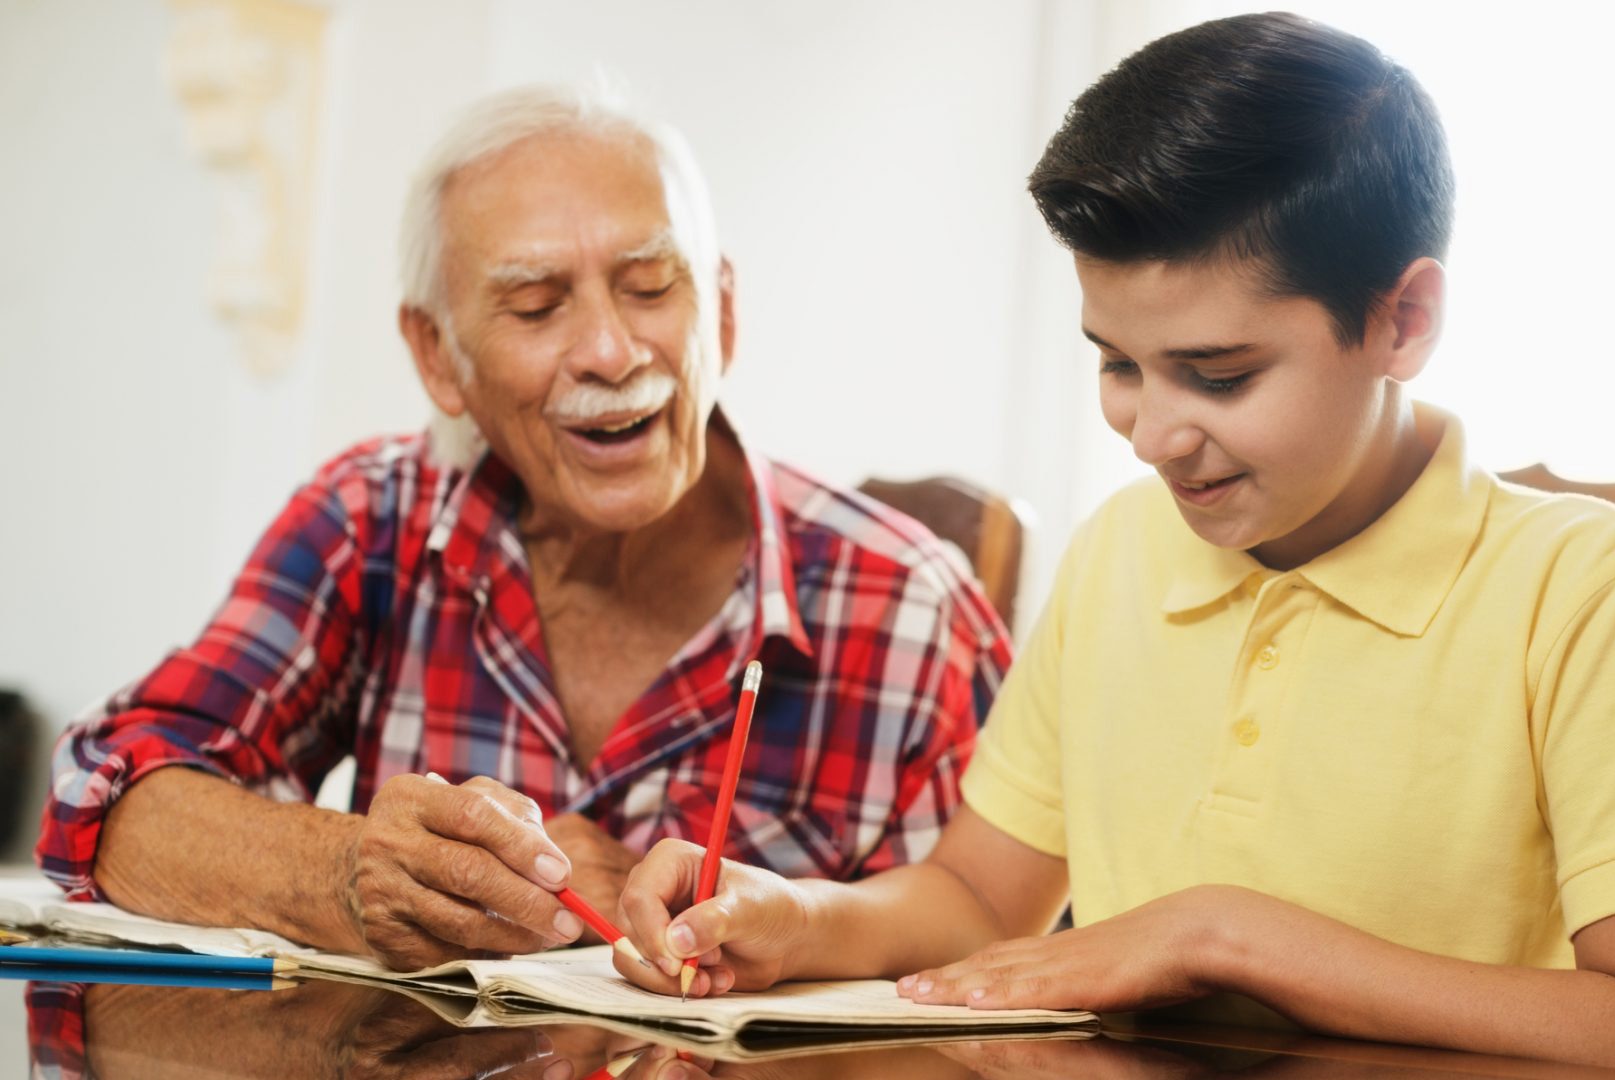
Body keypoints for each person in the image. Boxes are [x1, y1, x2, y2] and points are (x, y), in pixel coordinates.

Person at [612, 13, 1615, 1076]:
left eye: (1219, 375)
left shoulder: (1583, 590)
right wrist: (794, 918)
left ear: (1402, 322)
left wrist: (1229, 937)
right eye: (1117, 364)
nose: (1153, 435)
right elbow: (975, 896)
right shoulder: (1124, 552)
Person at [35, 85, 1010, 971]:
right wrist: (353, 871)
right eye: (537, 304)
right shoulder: (372, 519)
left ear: (722, 310)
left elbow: (992, 974)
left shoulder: (916, 609)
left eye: (651, 286)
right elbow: (108, 796)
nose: (610, 350)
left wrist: (764, 924)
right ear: (438, 354)